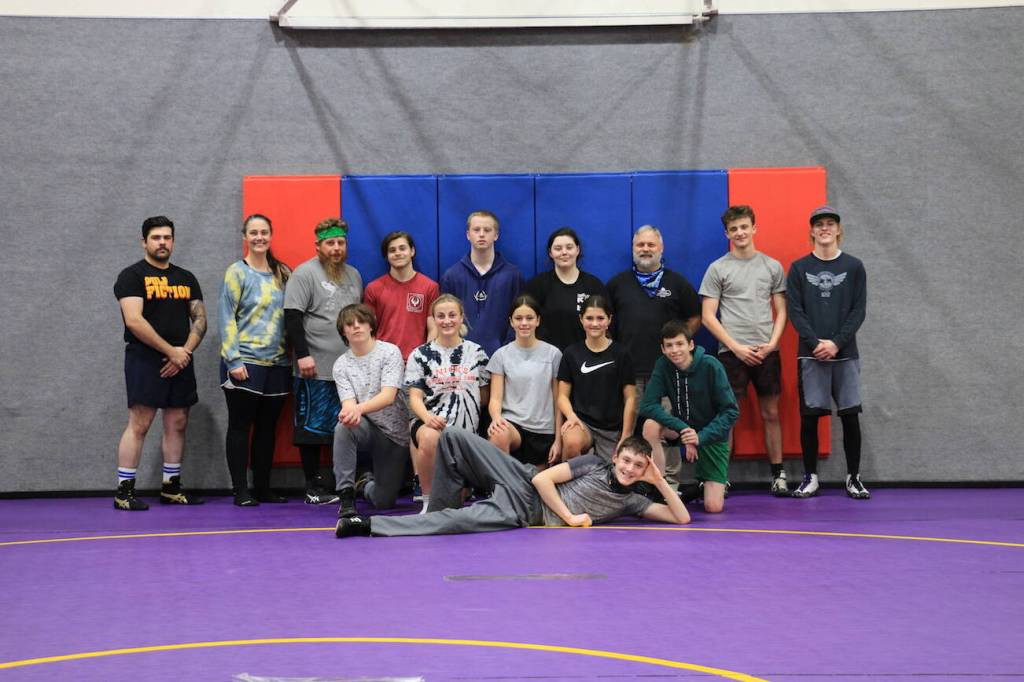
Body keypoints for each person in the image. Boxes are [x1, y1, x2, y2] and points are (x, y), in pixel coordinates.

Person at [334, 430, 690, 537]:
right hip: (528, 482)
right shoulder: (595, 463)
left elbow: (681, 519)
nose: (629, 468)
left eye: (637, 466)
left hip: (525, 510)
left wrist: (658, 479)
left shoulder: (632, 502)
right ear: (615, 458)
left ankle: (365, 525)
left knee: (458, 522)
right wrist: (569, 517)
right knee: (455, 438)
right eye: (626, 460)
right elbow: (545, 478)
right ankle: (439, 510)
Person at [113, 216, 206, 510]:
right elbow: (134, 320)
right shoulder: (132, 276)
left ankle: (171, 487)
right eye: (156, 238)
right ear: (144, 242)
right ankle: (124, 491)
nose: (162, 242)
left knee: (177, 422)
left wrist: (184, 353)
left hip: (182, 358)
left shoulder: (186, 278)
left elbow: (200, 320)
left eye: (167, 237)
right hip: (145, 358)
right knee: (139, 423)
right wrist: (172, 351)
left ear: (173, 241)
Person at [699, 205, 790, 496]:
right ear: (727, 233)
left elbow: (781, 310)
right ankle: (721, 477)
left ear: (754, 228)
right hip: (731, 354)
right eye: (734, 229)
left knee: (771, 412)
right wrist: (736, 348)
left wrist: (773, 343)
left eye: (744, 227)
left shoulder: (772, 266)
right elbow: (707, 316)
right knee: (728, 416)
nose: (739, 232)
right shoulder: (718, 268)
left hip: (766, 352)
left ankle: (778, 474)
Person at [786, 205, 869, 500]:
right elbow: (795, 311)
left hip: (845, 354)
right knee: (809, 417)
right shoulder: (798, 269)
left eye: (830, 223)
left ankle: (854, 478)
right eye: (819, 224)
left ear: (838, 230)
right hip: (811, 355)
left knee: (849, 416)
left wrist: (836, 342)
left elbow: (858, 311)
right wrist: (815, 342)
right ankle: (810, 477)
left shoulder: (854, 267)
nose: (824, 228)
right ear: (811, 231)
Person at [606, 225, 700, 484]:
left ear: (661, 249)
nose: (645, 249)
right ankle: (627, 483)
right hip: (628, 373)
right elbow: (605, 324)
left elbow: (694, 315)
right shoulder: (617, 284)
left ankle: (669, 484)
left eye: (650, 245)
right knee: (629, 430)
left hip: (666, 373)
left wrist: (678, 344)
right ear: (633, 249)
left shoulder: (677, 283)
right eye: (640, 245)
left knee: (663, 429)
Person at [283, 217, 363, 505]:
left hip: (349, 368)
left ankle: (341, 483)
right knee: (311, 427)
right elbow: (292, 316)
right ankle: (313, 486)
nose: (336, 248)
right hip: (314, 366)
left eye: (341, 242)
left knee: (343, 426)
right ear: (318, 246)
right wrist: (302, 355)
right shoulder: (304, 274)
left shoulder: (354, 275)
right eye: (330, 243)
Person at [219, 214, 292, 506]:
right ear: (245, 237)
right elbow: (227, 317)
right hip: (245, 362)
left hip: (278, 364)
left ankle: (262, 487)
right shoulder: (236, 272)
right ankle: (241, 489)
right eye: (254, 232)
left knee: (267, 429)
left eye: (264, 232)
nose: (259, 237)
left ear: (271, 236)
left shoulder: (284, 273)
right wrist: (233, 360)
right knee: (240, 426)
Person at [639, 321, 739, 513]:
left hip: (710, 435)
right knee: (650, 426)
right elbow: (648, 405)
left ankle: (698, 488)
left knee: (713, 507)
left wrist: (700, 437)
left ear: (690, 345)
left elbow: (730, 411)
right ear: (663, 349)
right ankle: (660, 489)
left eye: (679, 344)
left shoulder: (711, 366)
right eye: (669, 346)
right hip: (680, 430)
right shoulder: (663, 365)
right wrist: (683, 429)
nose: (674, 350)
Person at [404, 294, 490, 512]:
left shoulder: (477, 352)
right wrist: (427, 418)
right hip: (431, 421)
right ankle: (427, 500)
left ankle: (461, 487)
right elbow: (414, 397)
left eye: (452, 315)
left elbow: (485, 396)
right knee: (430, 437)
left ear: (461, 318)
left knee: (455, 503)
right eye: (440, 316)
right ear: (433, 320)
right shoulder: (420, 354)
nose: (447, 320)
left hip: (464, 429)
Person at [332, 304, 411, 518]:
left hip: (396, 436)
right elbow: (348, 404)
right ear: (343, 331)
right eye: (350, 324)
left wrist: (356, 408)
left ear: (371, 326)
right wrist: (348, 413)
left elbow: (388, 396)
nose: (356, 327)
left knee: (383, 502)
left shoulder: (390, 352)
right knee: (344, 427)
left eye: (361, 322)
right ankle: (346, 498)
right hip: (367, 429)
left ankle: (364, 484)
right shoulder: (341, 365)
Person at [556, 295, 637, 462]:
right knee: (571, 442)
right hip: (582, 423)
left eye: (600, 318)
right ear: (581, 319)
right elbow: (562, 396)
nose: (594, 323)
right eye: (589, 318)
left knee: (612, 480)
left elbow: (630, 398)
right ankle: (566, 487)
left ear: (609, 320)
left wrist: (626, 434)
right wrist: (571, 417)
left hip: (611, 429)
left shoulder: (621, 354)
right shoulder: (571, 353)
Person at [486, 295, 563, 468]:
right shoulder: (501, 355)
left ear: (538, 321)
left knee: (534, 491)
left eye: (529, 318)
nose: (524, 323)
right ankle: (500, 491)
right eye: (518, 318)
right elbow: (495, 399)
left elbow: (559, 403)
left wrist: (558, 440)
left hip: (543, 431)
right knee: (499, 434)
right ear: (511, 322)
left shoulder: (553, 354)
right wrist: (497, 418)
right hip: (514, 427)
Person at [439, 210, 524, 356]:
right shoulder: (451, 276)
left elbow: (520, 316)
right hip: (461, 359)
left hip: (504, 357)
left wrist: (506, 352)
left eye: (487, 230)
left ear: (496, 235)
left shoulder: (512, 275)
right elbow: (445, 319)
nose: (482, 234)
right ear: (468, 235)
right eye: (476, 230)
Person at [523, 227, 608, 350]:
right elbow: (525, 321)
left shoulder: (593, 285)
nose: (564, 252)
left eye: (569, 247)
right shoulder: (537, 285)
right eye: (558, 248)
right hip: (547, 358)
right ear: (550, 253)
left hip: (585, 357)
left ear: (577, 250)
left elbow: (607, 325)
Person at [363, 231, 440, 360]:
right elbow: (369, 329)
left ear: (412, 251)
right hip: (383, 361)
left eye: (402, 248)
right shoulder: (373, 289)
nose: (398, 253)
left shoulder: (430, 287)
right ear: (387, 256)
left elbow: (433, 328)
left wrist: (425, 359)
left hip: (417, 361)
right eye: (392, 250)